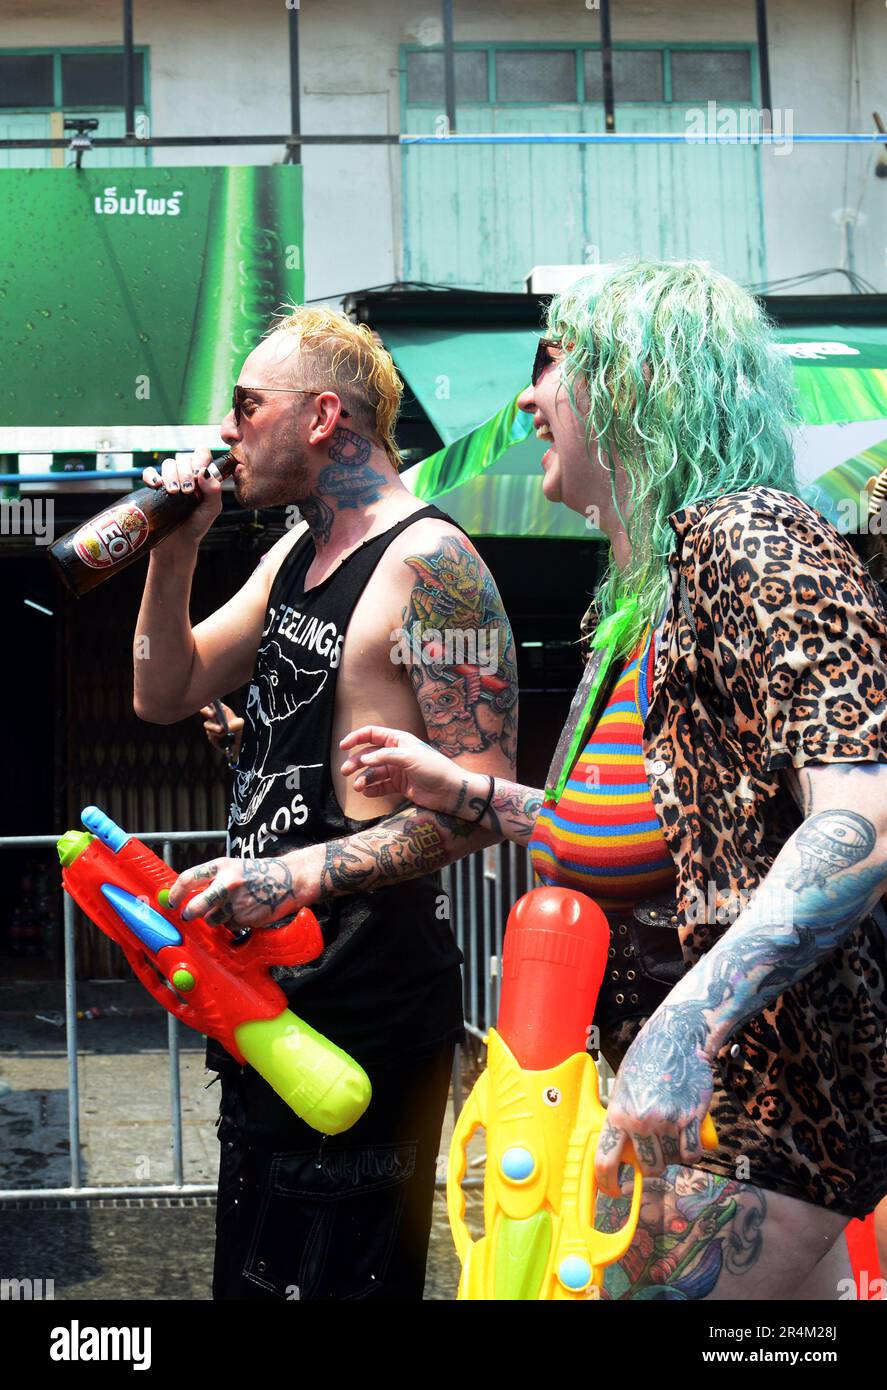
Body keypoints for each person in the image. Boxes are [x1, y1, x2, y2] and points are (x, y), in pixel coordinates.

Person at [338, 260, 887, 1300]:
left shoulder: (755, 537)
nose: (525, 399)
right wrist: (469, 794)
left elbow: (861, 814)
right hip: (687, 1118)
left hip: (762, 1111)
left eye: (553, 364)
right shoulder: (638, 604)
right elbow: (663, 841)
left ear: (638, 385)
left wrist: (685, 1026)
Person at [132, 305, 518, 1299]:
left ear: (320, 417)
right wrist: (175, 547)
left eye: (247, 407)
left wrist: (291, 874)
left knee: (338, 1282)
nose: (228, 430)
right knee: (252, 1281)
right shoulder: (289, 556)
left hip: (370, 999)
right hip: (261, 993)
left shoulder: (435, 569)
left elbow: (481, 802)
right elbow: (160, 690)